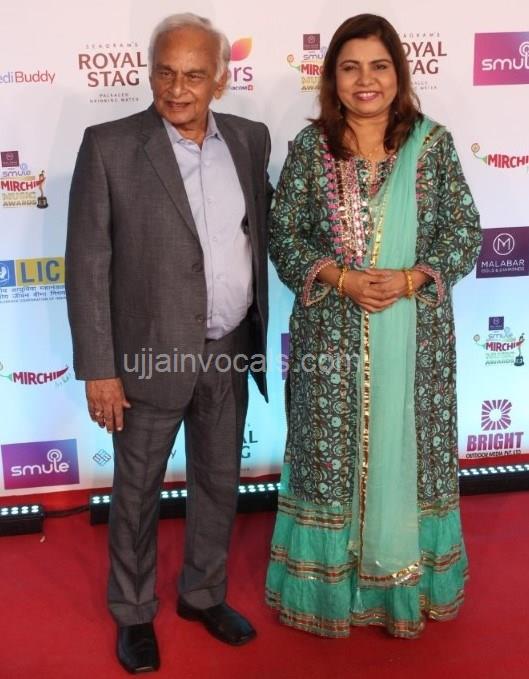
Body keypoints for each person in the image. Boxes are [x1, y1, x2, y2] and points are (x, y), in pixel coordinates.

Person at [66, 12, 271, 673]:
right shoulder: (109, 146)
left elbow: (262, 228)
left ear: (221, 79)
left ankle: (203, 594)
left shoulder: (249, 139)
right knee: (136, 493)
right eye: (164, 73)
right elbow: (87, 264)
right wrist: (100, 369)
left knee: (218, 481)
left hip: (229, 346)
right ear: (149, 72)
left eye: (193, 75)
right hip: (146, 356)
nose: (177, 89)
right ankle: (132, 611)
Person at [265, 13, 481, 639]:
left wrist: (413, 278)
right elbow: (284, 235)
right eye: (351, 67)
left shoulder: (432, 146)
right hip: (331, 341)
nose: (366, 80)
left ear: (399, 74)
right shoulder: (311, 149)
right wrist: (342, 278)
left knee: (411, 454)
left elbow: (463, 232)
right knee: (330, 461)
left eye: (379, 66)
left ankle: (403, 591)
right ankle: (332, 593)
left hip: (414, 341)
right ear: (332, 78)